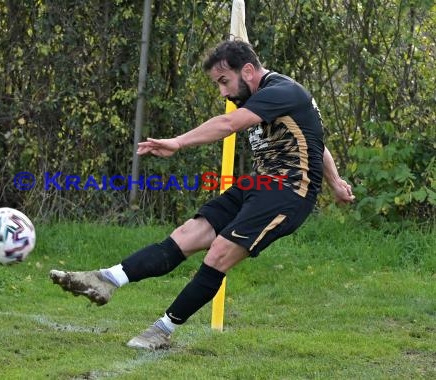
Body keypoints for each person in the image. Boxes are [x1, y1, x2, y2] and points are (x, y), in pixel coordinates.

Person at [49, 40, 354, 350]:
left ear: (247, 70)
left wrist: (178, 142)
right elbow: (318, 141)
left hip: (289, 192)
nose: (223, 92)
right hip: (260, 184)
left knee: (219, 252)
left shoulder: (282, 91)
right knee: (188, 233)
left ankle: (161, 330)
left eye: (224, 81)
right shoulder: (268, 97)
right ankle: (107, 279)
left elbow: (228, 124)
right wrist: (336, 181)